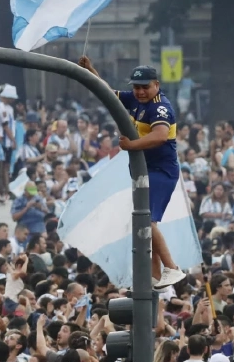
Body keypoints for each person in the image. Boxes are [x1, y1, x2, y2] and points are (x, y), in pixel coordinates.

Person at [77, 57, 186, 289]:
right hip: (145, 170)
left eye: (145, 86)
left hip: (160, 171)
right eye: (136, 87)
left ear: (156, 85)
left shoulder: (160, 107)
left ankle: (172, 268)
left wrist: (130, 146)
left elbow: (159, 136)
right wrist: (90, 71)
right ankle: (156, 276)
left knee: (146, 220)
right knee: (146, 223)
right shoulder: (136, 100)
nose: (140, 91)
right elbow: (108, 93)